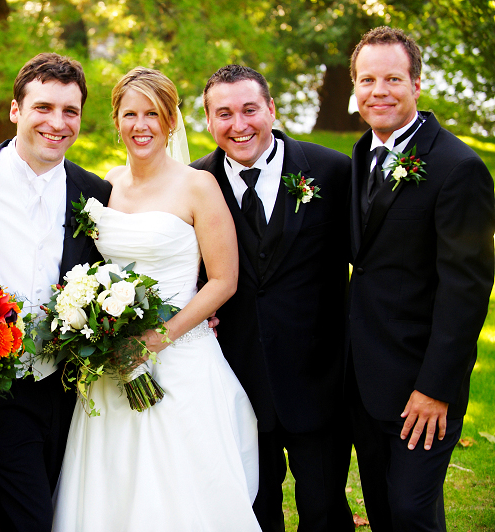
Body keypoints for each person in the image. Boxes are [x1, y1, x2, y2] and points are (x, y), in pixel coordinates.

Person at [52, 66, 260, 531]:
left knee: (180, 491)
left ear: (171, 122)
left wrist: (154, 340)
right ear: (117, 120)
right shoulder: (109, 184)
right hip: (111, 363)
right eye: (130, 114)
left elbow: (224, 280)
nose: (140, 125)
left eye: (153, 114)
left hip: (179, 356)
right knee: (113, 485)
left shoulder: (197, 186)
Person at [0, 53, 112, 532]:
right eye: (43, 108)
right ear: (16, 110)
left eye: (70, 111)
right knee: (32, 515)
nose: (57, 123)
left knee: (55, 502)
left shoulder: (94, 192)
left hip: (67, 387)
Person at [190, 64, 355, 532]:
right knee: (253, 512)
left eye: (249, 109)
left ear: (271, 109)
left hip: (318, 377)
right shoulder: (196, 183)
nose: (239, 125)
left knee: (324, 511)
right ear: (208, 119)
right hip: (235, 381)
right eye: (224, 114)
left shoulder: (332, 171)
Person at [346, 26, 495, 532]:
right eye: (367, 80)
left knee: (411, 514)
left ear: (416, 83)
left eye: (392, 78)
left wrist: (435, 388)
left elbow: (467, 290)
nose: (378, 91)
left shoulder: (459, 168)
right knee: (387, 511)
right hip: (365, 376)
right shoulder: (361, 153)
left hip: (421, 384)